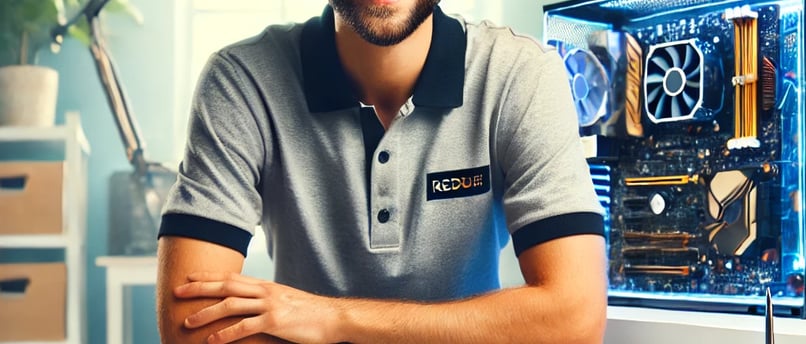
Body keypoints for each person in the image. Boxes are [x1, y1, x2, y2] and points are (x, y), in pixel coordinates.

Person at [156, 0, 608, 343]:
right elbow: (188, 326)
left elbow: (576, 316)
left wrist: (334, 319)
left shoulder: (519, 75)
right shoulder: (242, 81)